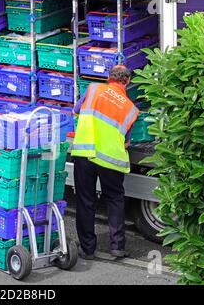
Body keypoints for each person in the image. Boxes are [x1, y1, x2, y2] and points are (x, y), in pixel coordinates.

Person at [72, 65, 139, 260]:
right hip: (111, 160)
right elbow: (126, 142)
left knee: (86, 200)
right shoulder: (131, 109)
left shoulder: (93, 89)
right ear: (127, 82)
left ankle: (87, 249)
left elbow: (76, 111)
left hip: (86, 152)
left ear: (109, 78)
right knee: (115, 200)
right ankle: (117, 247)